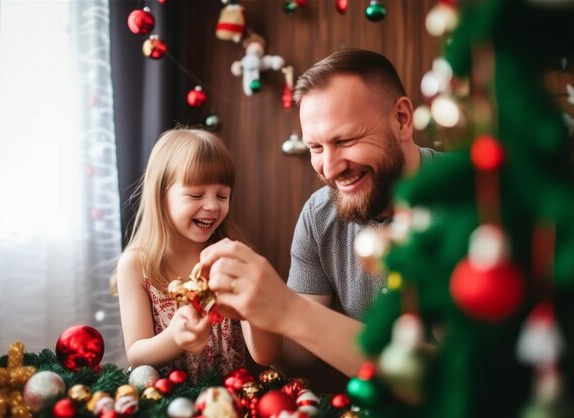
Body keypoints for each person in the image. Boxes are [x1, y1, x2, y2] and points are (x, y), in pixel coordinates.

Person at [200, 49, 440, 377]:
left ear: (401, 119)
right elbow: (298, 356)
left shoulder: (474, 195)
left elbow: (465, 377)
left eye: (345, 140)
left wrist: (289, 310)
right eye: (315, 147)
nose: (328, 168)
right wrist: (255, 304)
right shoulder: (319, 214)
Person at [112, 128, 276, 382]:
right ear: (160, 196)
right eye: (196, 195)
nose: (212, 205)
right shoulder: (136, 265)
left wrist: (253, 310)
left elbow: (265, 355)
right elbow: (136, 355)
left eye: (222, 195)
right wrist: (175, 337)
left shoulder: (230, 258)